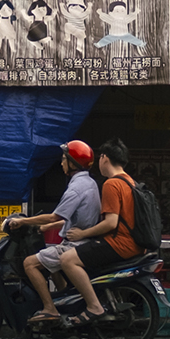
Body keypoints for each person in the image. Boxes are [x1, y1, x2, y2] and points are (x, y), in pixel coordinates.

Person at [18, 140, 104, 329]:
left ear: (73, 163)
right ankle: (67, 302)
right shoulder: (89, 182)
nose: (61, 163)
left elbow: (54, 216)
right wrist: (45, 228)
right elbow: (69, 217)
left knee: (30, 263)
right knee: (49, 263)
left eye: (64, 159)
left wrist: (22, 221)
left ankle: (50, 308)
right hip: (83, 240)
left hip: (75, 245)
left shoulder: (75, 188)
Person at [59, 137, 144, 286]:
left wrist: (82, 234)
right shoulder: (130, 182)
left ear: (104, 158)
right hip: (136, 245)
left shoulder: (111, 184)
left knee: (67, 259)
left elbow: (111, 223)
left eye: (100, 157)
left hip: (119, 244)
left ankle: (94, 307)